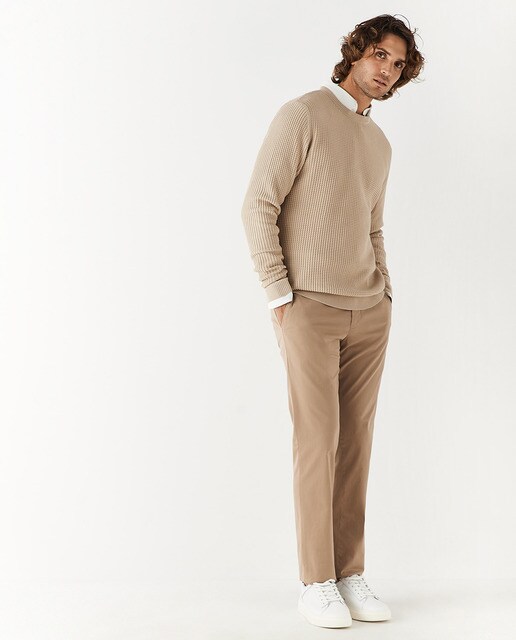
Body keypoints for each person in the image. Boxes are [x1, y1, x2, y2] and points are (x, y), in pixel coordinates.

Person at [241, 14, 425, 629]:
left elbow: (374, 227)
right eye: (379, 55)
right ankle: (316, 581)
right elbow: (259, 203)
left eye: (397, 64)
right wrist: (278, 292)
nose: (386, 70)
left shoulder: (380, 144)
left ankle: (349, 572)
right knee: (317, 443)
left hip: (369, 311)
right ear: (355, 52)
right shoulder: (304, 113)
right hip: (309, 307)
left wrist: (385, 293)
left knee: (356, 446)